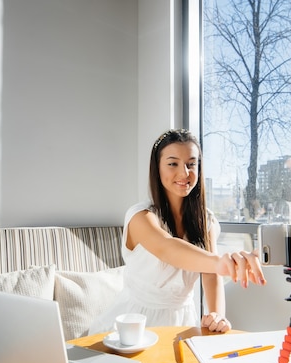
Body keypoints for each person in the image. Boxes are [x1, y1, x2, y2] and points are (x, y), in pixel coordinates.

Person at [89, 129, 266, 335]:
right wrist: (220, 262)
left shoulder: (206, 221)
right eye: (173, 163)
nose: (184, 173)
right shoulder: (141, 217)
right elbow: (167, 248)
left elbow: (210, 274)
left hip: (184, 319)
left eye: (191, 164)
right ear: (157, 168)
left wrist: (217, 314)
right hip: (135, 322)